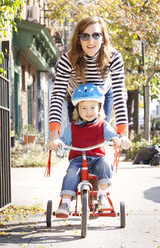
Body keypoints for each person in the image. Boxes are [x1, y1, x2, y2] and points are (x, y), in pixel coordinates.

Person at [48, 16, 131, 151]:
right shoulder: (67, 59)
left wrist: (123, 134)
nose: (91, 41)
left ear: (103, 38)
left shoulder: (114, 57)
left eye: (96, 35)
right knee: (77, 141)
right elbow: (57, 95)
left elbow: (120, 93)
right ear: (79, 40)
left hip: (103, 97)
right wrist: (54, 135)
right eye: (85, 36)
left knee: (102, 136)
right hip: (76, 99)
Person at [52, 84, 121, 218]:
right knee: (71, 173)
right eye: (83, 108)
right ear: (77, 109)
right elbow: (64, 141)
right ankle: (65, 203)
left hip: (97, 159)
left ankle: (102, 196)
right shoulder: (72, 127)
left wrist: (114, 139)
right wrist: (59, 144)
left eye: (92, 108)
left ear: (99, 108)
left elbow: (111, 134)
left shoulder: (102, 125)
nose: (88, 111)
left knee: (105, 163)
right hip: (77, 160)